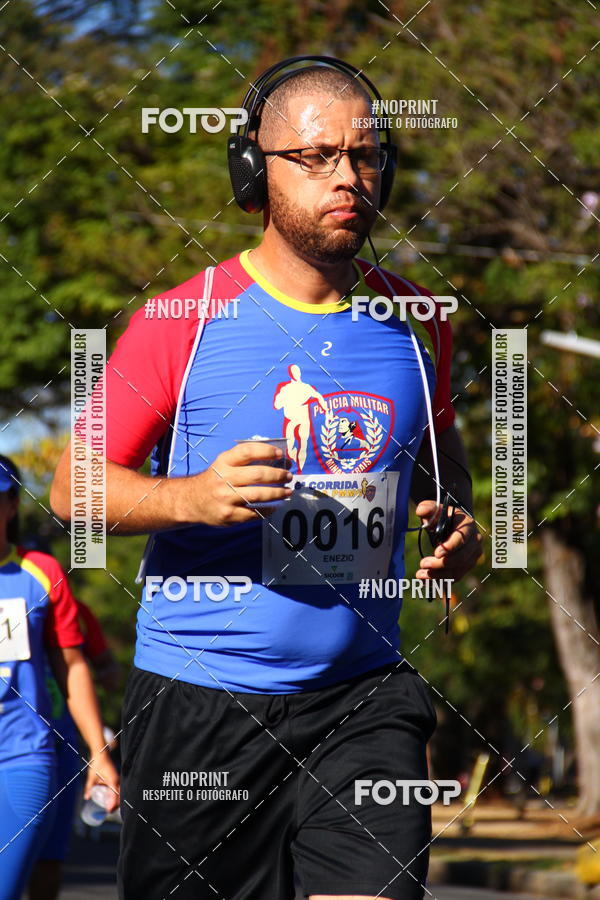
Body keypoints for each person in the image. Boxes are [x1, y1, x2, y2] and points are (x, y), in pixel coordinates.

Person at [51, 57, 482, 900]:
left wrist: (455, 519)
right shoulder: (181, 320)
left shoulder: (417, 323)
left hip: (364, 700)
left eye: (365, 156)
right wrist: (191, 497)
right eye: (316, 157)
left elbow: (444, 460)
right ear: (254, 170)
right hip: (201, 707)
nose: (348, 178)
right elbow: (72, 490)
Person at [0, 455, 120, 900]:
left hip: (23, 751)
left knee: (34, 875)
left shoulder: (40, 573)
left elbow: (75, 665)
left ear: (11, 505)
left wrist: (98, 752)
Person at [28, 599, 121, 900]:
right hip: (21, 740)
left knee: (49, 855)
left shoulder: (76, 610)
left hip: (59, 741)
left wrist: (97, 735)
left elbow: (106, 668)